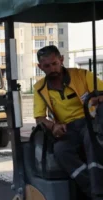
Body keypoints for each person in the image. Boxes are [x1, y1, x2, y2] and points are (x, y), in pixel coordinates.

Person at [33, 45, 103, 199]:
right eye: (47, 66)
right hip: (67, 128)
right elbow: (39, 118)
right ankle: (92, 190)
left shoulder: (83, 75)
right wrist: (54, 126)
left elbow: (101, 94)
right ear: (40, 67)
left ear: (61, 60)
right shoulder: (39, 88)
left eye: (54, 64)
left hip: (89, 122)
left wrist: (98, 100)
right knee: (60, 150)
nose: (52, 69)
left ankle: (98, 189)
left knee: (91, 139)